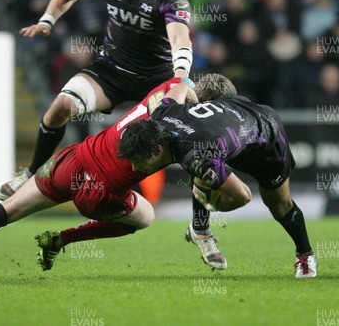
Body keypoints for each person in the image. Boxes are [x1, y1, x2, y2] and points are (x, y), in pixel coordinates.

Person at [0, 77, 211, 281]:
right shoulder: (185, 139)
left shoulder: (162, 96)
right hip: (98, 193)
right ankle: (61, 239)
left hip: (70, 162)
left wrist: (191, 92)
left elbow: (181, 80)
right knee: (146, 217)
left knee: (7, 211)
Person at [0, 0, 193, 200]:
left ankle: (201, 215)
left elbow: (180, 38)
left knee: (189, 138)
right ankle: (31, 173)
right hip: (110, 71)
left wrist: (181, 75)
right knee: (61, 107)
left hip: (155, 81)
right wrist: (47, 21)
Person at [117, 74, 317, 278]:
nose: (134, 168)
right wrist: (194, 105)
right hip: (229, 128)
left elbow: (243, 196)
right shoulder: (162, 111)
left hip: (265, 137)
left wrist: (212, 203)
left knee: (279, 204)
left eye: (138, 160)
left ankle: (305, 255)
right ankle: (201, 229)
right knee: (203, 175)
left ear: (158, 149)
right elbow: (181, 86)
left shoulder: (198, 155)